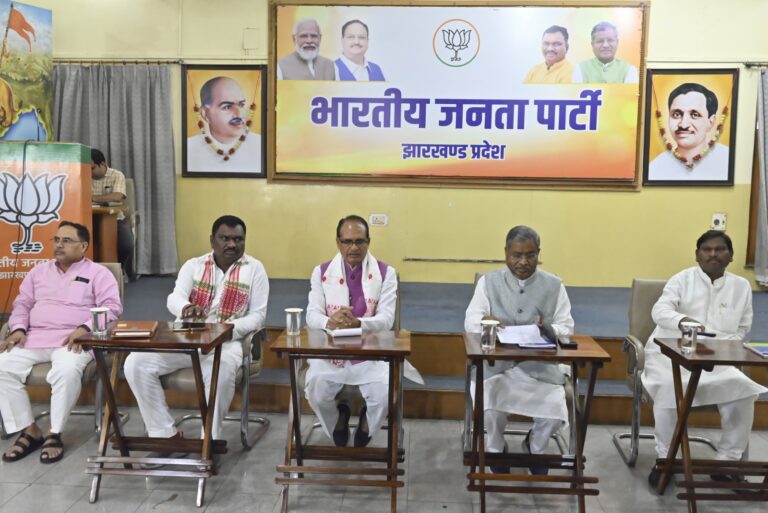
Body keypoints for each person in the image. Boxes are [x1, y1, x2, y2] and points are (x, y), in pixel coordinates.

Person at [124, 215, 268, 443]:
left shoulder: (255, 269)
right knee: (135, 362)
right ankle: (164, 434)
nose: (232, 244)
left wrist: (224, 330)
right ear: (212, 240)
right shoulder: (194, 265)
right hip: (187, 339)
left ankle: (208, 440)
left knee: (221, 372)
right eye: (225, 238)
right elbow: (174, 298)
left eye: (238, 239)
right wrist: (186, 308)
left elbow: (258, 316)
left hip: (227, 343)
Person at [642, 230, 767, 487]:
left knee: (743, 390)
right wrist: (683, 321)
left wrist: (722, 346)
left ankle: (727, 462)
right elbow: (660, 310)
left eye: (720, 249)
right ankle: (666, 459)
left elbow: (742, 328)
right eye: (707, 249)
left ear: (731, 256)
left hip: (716, 359)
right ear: (697, 255)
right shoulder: (682, 279)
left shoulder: (741, 286)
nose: (713, 254)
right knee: (668, 388)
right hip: (670, 356)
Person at [0, 221, 122, 463]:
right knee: (2, 366)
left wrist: (85, 328)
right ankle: (29, 430)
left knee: (65, 371)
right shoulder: (38, 272)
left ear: (83, 246)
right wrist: (18, 328)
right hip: (34, 337)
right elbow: (22, 304)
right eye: (56, 240)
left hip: (74, 340)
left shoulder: (98, 273)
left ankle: (54, 433)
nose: (59, 245)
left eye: (66, 240)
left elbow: (112, 308)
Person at [464, 225, 574, 475]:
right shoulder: (488, 282)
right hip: (496, 367)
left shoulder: (554, 285)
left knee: (555, 411)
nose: (523, 262)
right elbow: (471, 320)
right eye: (516, 255)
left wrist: (549, 329)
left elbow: (566, 326)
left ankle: (535, 447)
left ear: (538, 253)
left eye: (530, 255)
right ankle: (495, 449)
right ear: (505, 253)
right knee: (490, 405)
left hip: (539, 368)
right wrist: (486, 322)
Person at [305, 215, 397, 448]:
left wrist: (360, 324)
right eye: (347, 241)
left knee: (384, 394)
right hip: (330, 352)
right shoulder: (321, 272)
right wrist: (330, 321)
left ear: (368, 242)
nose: (353, 248)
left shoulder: (386, 273)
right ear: (338, 242)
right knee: (316, 391)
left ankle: (367, 423)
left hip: (371, 352)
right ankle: (338, 419)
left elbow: (387, 319)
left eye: (359, 241)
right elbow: (311, 315)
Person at [648, 83, 729, 181]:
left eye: (695, 115)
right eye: (677, 114)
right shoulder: (655, 167)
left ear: (711, 122)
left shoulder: (728, 159)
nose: (683, 124)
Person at [186, 76, 262, 174]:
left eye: (241, 105)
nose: (240, 114)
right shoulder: (188, 147)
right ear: (205, 113)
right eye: (227, 107)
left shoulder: (260, 144)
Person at [91, 148, 136, 280]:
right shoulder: (82, 175)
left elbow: (117, 196)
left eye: (92, 168)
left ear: (103, 164)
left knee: (126, 244)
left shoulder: (116, 175)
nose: (89, 172)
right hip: (89, 219)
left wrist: (92, 198)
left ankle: (119, 269)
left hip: (114, 220)